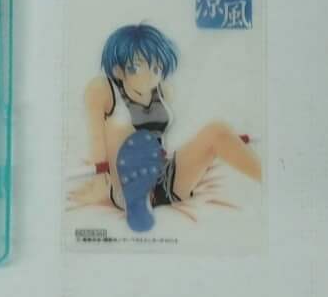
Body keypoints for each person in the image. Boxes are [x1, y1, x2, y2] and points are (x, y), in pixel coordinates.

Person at [74, 23, 261, 235]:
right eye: (136, 67)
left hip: (166, 177)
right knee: (119, 128)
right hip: (125, 182)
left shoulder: (163, 91)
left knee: (217, 130)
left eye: (156, 68)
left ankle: (270, 180)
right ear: (118, 70)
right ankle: (137, 199)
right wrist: (99, 181)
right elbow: (97, 139)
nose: (149, 76)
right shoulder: (103, 90)